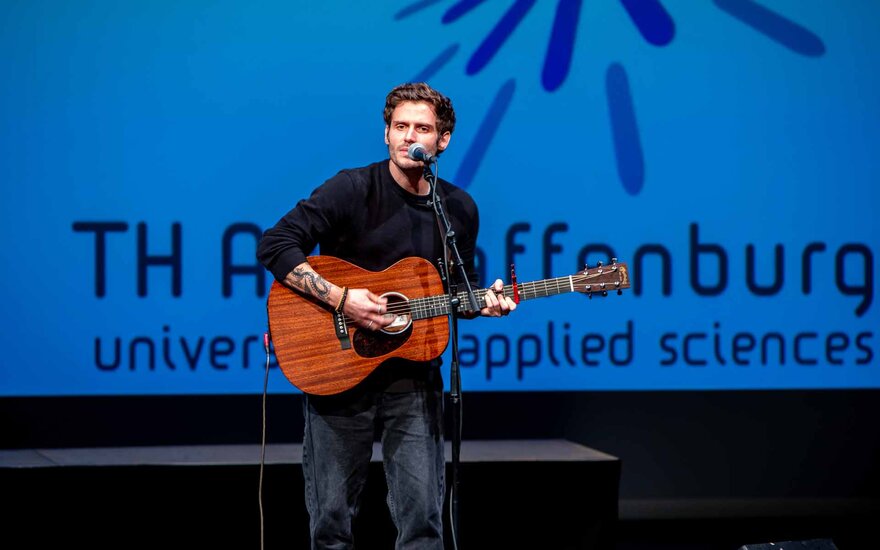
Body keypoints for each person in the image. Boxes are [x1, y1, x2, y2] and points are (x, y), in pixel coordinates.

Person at [256, 82, 516, 549]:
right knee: (331, 524)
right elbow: (275, 244)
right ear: (386, 133)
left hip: (414, 380)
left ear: (443, 140)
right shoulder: (352, 188)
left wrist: (484, 303)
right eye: (400, 126)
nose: (408, 136)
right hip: (337, 372)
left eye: (422, 128)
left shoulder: (457, 209)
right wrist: (342, 299)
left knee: (423, 524)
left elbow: (459, 292)